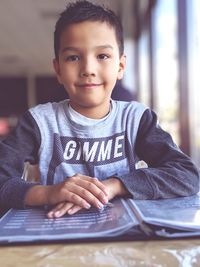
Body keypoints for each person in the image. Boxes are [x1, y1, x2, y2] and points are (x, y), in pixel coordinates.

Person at [0, 0, 199, 219]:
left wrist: (114, 185)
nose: (88, 69)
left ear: (120, 66)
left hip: (125, 238)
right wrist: (49, 193)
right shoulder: (39, 122)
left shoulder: (136, 119)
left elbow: (187, 175)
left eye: (102, 56)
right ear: (58, 69)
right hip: (58, 237)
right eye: (73, 57)